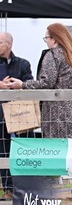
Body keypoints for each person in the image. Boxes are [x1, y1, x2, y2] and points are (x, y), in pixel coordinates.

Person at [0, 23, 72, 138]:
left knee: (57, 151)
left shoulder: (53, 55)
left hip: (58, 116)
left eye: (46, 38)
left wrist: (22, 84)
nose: (46, 41)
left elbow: (46, 83)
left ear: (54, 39)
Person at [0, 32, 35, 196]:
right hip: (0, 116)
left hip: (20, 116)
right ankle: (7, 189)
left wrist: (19, 86)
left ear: (9, 44)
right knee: (2, 150)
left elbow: (30, 82)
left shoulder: (23, 64)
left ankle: (22, 189)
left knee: (21, 149)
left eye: (0, 42)